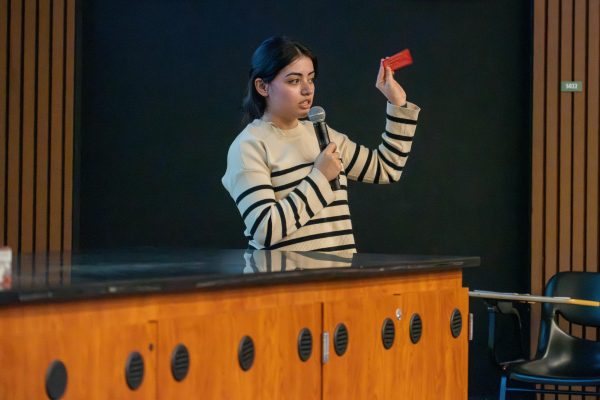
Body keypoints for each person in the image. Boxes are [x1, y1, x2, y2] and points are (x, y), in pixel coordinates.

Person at [222, 36, 420, 253]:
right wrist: (320, 177)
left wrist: (398, 103)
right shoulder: (249, 146)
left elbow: (387, 168)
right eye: (294, 81)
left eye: (311, 78)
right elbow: (265, 230)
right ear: (262, 86)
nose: (307, 90)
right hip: (285, 284)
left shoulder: (324, 135)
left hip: (339, 280)